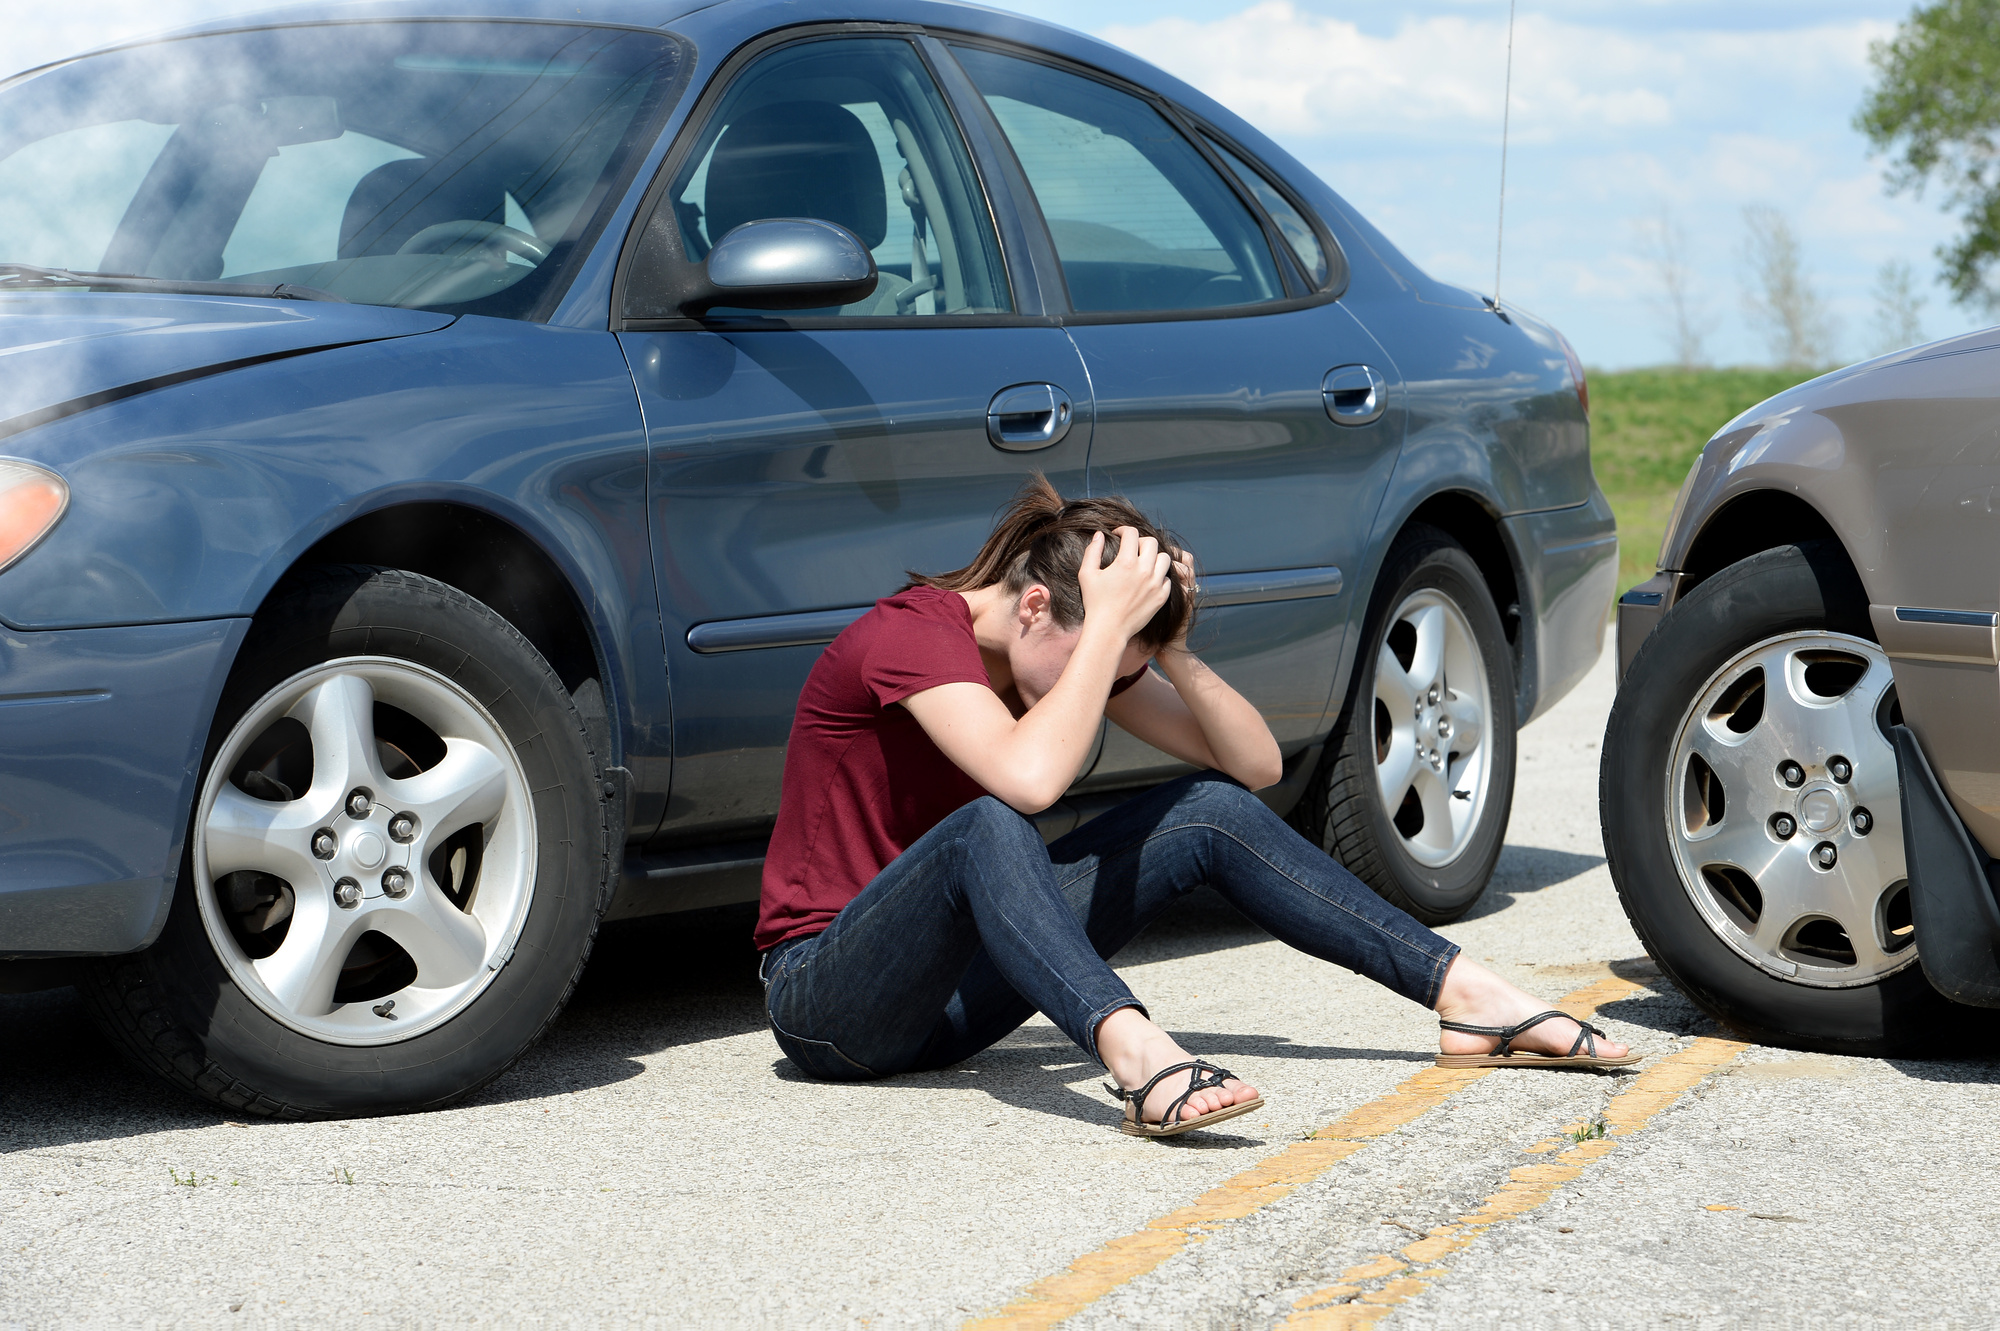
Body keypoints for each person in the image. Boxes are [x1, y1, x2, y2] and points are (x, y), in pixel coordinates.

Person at [756, 479, 1637, 1137]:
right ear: (1033, 605)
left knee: (1204, 809)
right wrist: (1102, 633)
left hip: (953, 1001)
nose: (1100, 684)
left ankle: (1466, 994)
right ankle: (1136, 1054)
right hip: (830, 1003)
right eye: (1094, 654)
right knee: (991, 825)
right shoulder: (911, 636)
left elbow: (1250, 764)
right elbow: (1025, 783)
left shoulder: (1058, 650)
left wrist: (1166, 650)